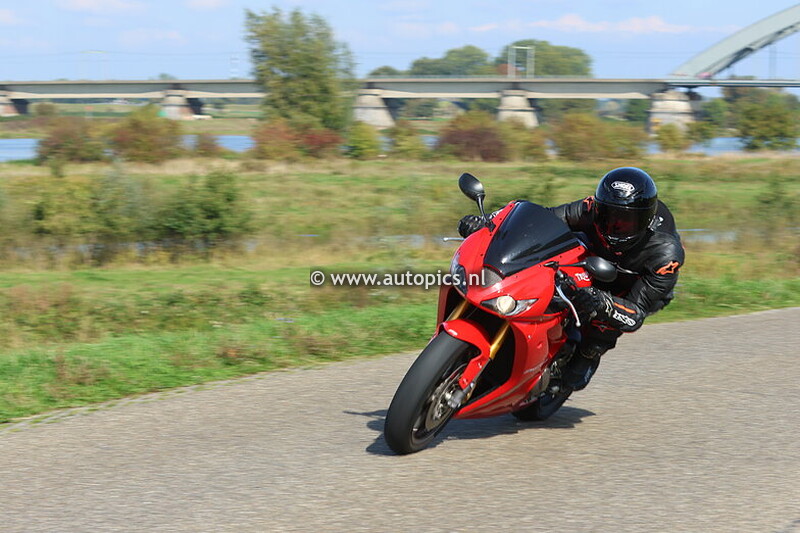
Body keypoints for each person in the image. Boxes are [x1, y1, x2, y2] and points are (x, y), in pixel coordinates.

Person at [457, 167, 684, 391]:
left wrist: (602, 302)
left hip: (632, 285)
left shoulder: (665, 255)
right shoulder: (589, 209)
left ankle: (588, 353)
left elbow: (636, 314)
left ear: (646, 221)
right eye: (608, 215)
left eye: (625, 222)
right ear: (598, 207)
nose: (614, 226)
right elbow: (542, 219)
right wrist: (490, 226)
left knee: (600, 327)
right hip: (594, 259)